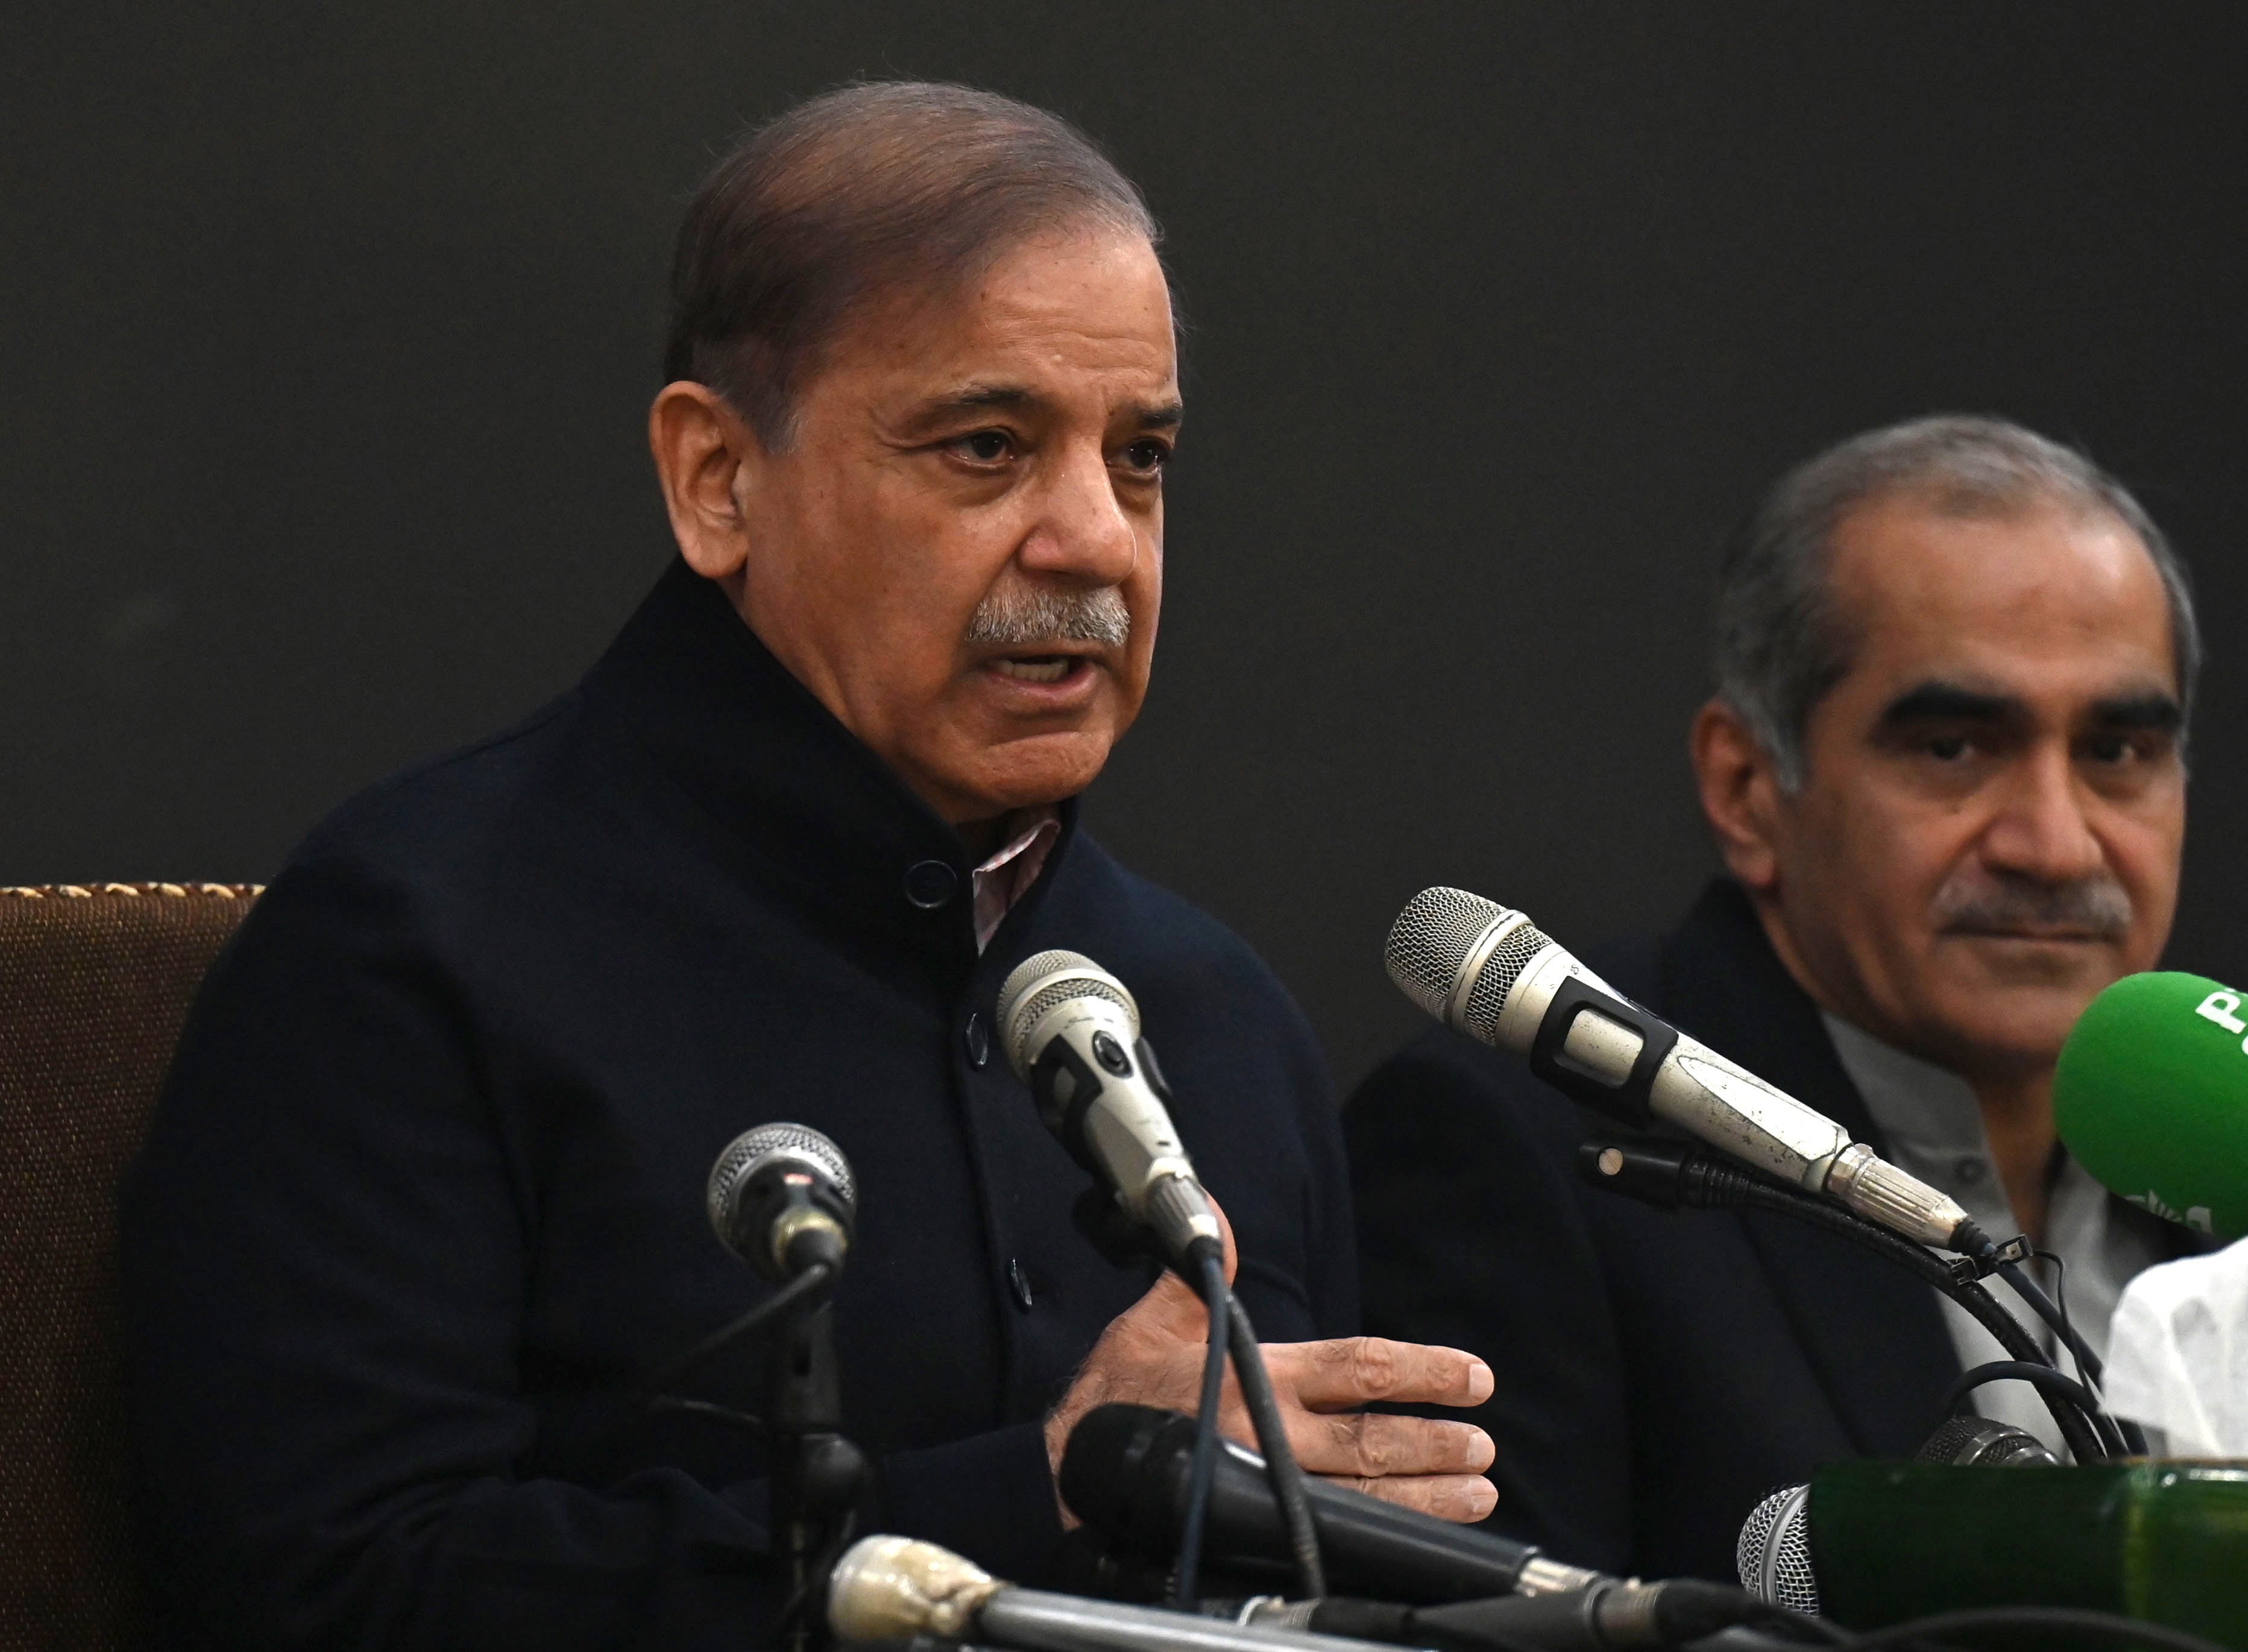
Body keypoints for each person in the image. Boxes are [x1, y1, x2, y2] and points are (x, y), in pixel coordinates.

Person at [120, 83, 1494, 1652]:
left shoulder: (1215, 1012)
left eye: (1142, 457)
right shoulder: (411, 949)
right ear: (718, 480)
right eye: (987, 446)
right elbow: (328, 1592)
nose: (1099, 541)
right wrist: (1042, 1494)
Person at [1346, 415, 2204, 1580]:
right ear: (1746, 787)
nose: (2054, 845)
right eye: (1953, 748)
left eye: (2115, 754)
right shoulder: (1518, 1149)